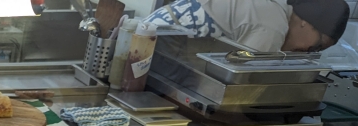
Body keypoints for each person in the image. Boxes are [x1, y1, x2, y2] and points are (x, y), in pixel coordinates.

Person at [144, 0, 350, 52]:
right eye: (318, 46)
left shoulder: (276, 10)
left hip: (152, 31)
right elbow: (245, 81)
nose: (308, 52)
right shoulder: (273, 27)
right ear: (307, 22)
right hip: (162, 44)